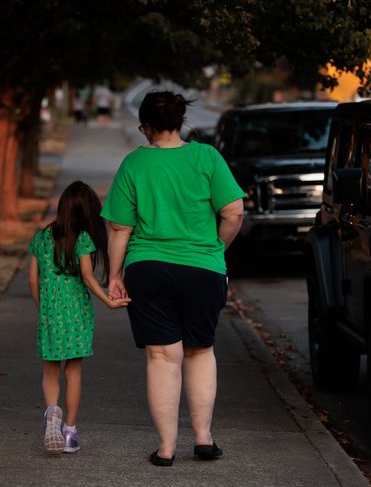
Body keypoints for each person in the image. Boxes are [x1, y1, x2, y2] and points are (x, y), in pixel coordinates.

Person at [101, 91, 245, 466]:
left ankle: (166, 449)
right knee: (199, 352)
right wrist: (216, 250)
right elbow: (233, 212)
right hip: (202, 267)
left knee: (163, 358)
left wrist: (114, 276)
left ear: (146, 125)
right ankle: (203, 439)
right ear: (180, 122)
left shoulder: (134, 163)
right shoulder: (206, 157)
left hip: (147, 268)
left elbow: (118, 227)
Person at [28, 181, 131, 454]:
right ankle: (70, 432)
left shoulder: (41, 237)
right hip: (75, 316)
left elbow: (32, 280)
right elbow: (87, 277)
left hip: (50, 315)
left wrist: (43, 309)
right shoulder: (83, 239)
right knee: (73, 370)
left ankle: (52, 414)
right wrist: (108, 299)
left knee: (50, 369)